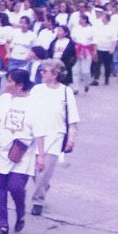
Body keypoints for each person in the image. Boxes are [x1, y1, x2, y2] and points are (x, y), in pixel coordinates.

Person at [0, 69, 46, 234]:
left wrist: (41, 156)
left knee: (15, 187)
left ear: (20, 85)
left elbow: (40, 133)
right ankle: (3, 225)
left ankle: (20, 213)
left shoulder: (34, 104)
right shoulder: (4, 100)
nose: (7, 85)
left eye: (10, 81)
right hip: (0, 151)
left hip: (22, 154)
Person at [29, 59, 79, 217]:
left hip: (56, 135)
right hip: (35, 136)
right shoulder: (37, 90)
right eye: (41, 70)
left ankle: (38, 200)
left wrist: (71, 138)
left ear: (55, 74)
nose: (41, 73)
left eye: (45, 71)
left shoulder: (66, 92)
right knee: (34, 172)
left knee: (43, 171)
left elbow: (72, 117)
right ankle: (43, 185)